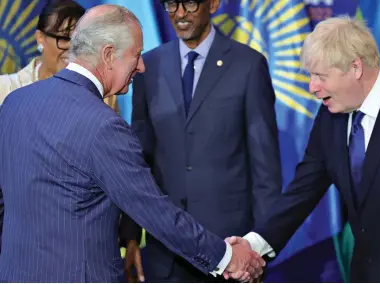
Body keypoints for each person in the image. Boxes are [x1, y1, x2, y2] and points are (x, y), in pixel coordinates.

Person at [0, 5, 265, 282]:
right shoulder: (103, 126)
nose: (141, 66)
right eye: (136, 55)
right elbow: (154, 212)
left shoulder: (15, 103)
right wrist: (226, 257)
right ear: (108, 54)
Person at [226, 15, 380, 283]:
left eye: (320, 76)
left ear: (356, 67)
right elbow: (303, 190)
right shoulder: (331, 117)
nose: (313, 88)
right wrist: (253, 244)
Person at [119, 0, 282, 282]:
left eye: (191, 3)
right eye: (171, 4)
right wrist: (131, 236)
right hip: (165, 251)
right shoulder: (150, 66)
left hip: (230, 251)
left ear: (214, 4)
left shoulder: (248, 65)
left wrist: (258, 252)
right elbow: (139, 159)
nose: (180, 14)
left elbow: (265, 167)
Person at [0, 0, 117, 111]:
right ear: (40, 38)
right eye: (64, 38)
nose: (73, 49)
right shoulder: (6, 88)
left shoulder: (100, 95)